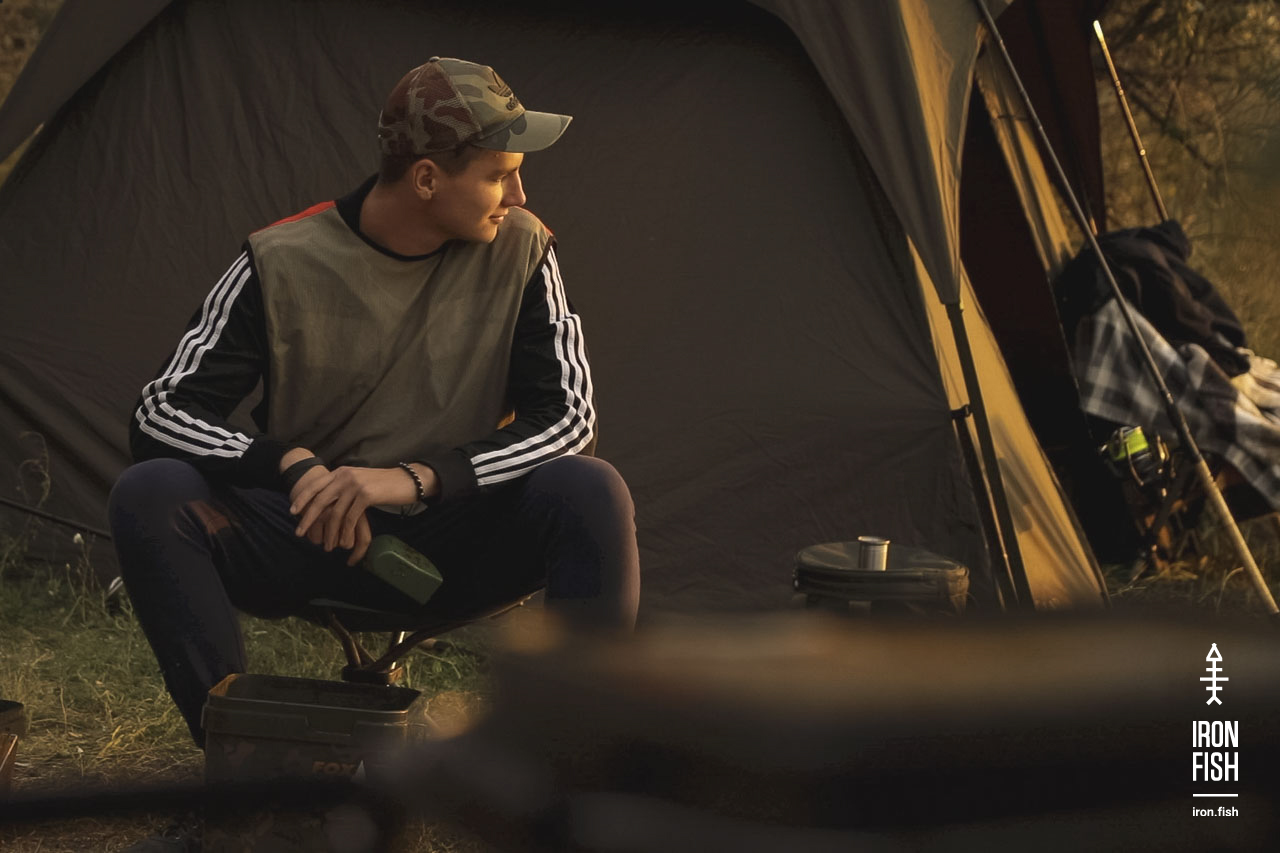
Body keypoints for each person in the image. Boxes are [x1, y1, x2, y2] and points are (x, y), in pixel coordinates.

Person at [108, 57, 641, 747]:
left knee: (590, 487)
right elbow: (161, 410)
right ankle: (240, 758)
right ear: (427, 178)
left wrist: (414, 478)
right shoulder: (280, 259)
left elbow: (570, 418)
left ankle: (574, 772)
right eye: (498, 174)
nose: (517, 192)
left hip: (458, 541)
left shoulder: (522, 249)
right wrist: (293, 467)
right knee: (152, 491)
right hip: (313, 535)